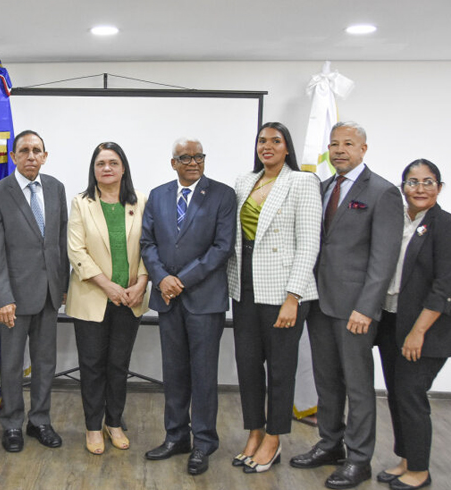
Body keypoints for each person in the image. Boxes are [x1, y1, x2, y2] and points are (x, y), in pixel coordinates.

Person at [290, 121, 403, 489]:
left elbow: (383, 259)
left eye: (348, 144)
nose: (340, 150)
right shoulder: (321, 188)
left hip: (355, 309)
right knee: (327, 382)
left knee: (357, 386)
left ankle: (359, 459)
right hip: (319, 303)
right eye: (334, 144)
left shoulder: (383, 192)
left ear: (363, 149)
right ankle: (329, 444)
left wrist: (366, 308)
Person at [226, 122, 322, 473]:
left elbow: (309, 242)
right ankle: (254, 432)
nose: (267, 146)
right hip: (244, 288)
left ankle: (274, 438)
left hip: (284, 291)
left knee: (280, 370)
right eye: (262, 140)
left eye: (275, 141)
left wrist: (293, 296)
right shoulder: (244, 182)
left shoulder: (303, 182)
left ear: (287, 147)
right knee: (248, 367)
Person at [140, 137, 236, 475]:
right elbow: (147, 243)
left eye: (198, 156)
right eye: (185, 157)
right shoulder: (158, 195)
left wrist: (181, 280)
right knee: (175, 372)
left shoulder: (223, 195)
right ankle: (176, 437)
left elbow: (221, 247)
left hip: (204, 300)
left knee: (204, 375)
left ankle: (204, 443)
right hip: (168, 299)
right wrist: (162, 278)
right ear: (173, 163)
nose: (193, 162)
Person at [0, 130, 69, 453]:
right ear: (14, 156)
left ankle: (40, 420)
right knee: (12, 364)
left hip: (49, 295)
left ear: (45, 156)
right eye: (24, 150)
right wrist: (2, 297)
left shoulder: (56, 188)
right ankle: (13, 423)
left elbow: (60, 242)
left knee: (46, 363)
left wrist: (64, 286)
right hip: (13, 300)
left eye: (37, 150)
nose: (31, 156)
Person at [66, 142, 149, 455]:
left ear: (123, 167)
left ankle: (114, 422)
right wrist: (108, 286)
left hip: (131, 298)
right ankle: (92, 427)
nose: (107, 168)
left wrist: (142, 281)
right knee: (92, 365)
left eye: (113, 163)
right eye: (100, 163)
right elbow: (76, 251)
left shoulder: (141, 201)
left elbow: (149, 245)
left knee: (118, 365)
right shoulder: (81, 203)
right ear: (94, 169)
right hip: (92, 298)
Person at [374, 159, 450, 490]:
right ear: (403, 187)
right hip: (392, 320)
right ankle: (405, 460)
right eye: (413, 182)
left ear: (440, 187)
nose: (420, 188)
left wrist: (417, 332)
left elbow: (444, 286)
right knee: (397, 394)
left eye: (428, 181)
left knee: (411, 394)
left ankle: (419, 470)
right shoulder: (402, 222)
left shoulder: (444, 225)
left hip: (427, 329)